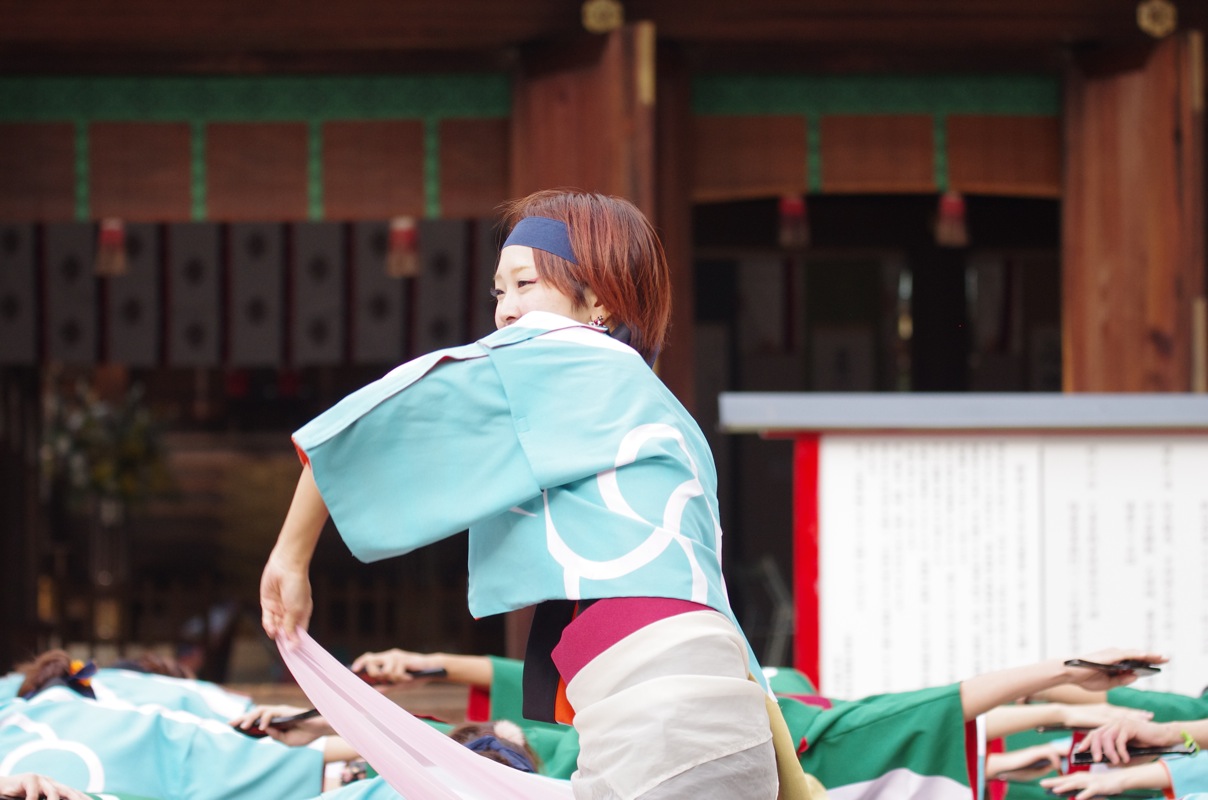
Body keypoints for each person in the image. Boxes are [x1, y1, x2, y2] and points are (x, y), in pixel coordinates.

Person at [259, 190, 804, 799]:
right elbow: (716, 605)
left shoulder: (563, 352)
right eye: (499, 292)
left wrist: (290, 554)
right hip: (727, 726)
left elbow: (390, 413)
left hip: (656, 722)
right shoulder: (668, 420)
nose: (508, 312)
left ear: (598, 299)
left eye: (526, 284)